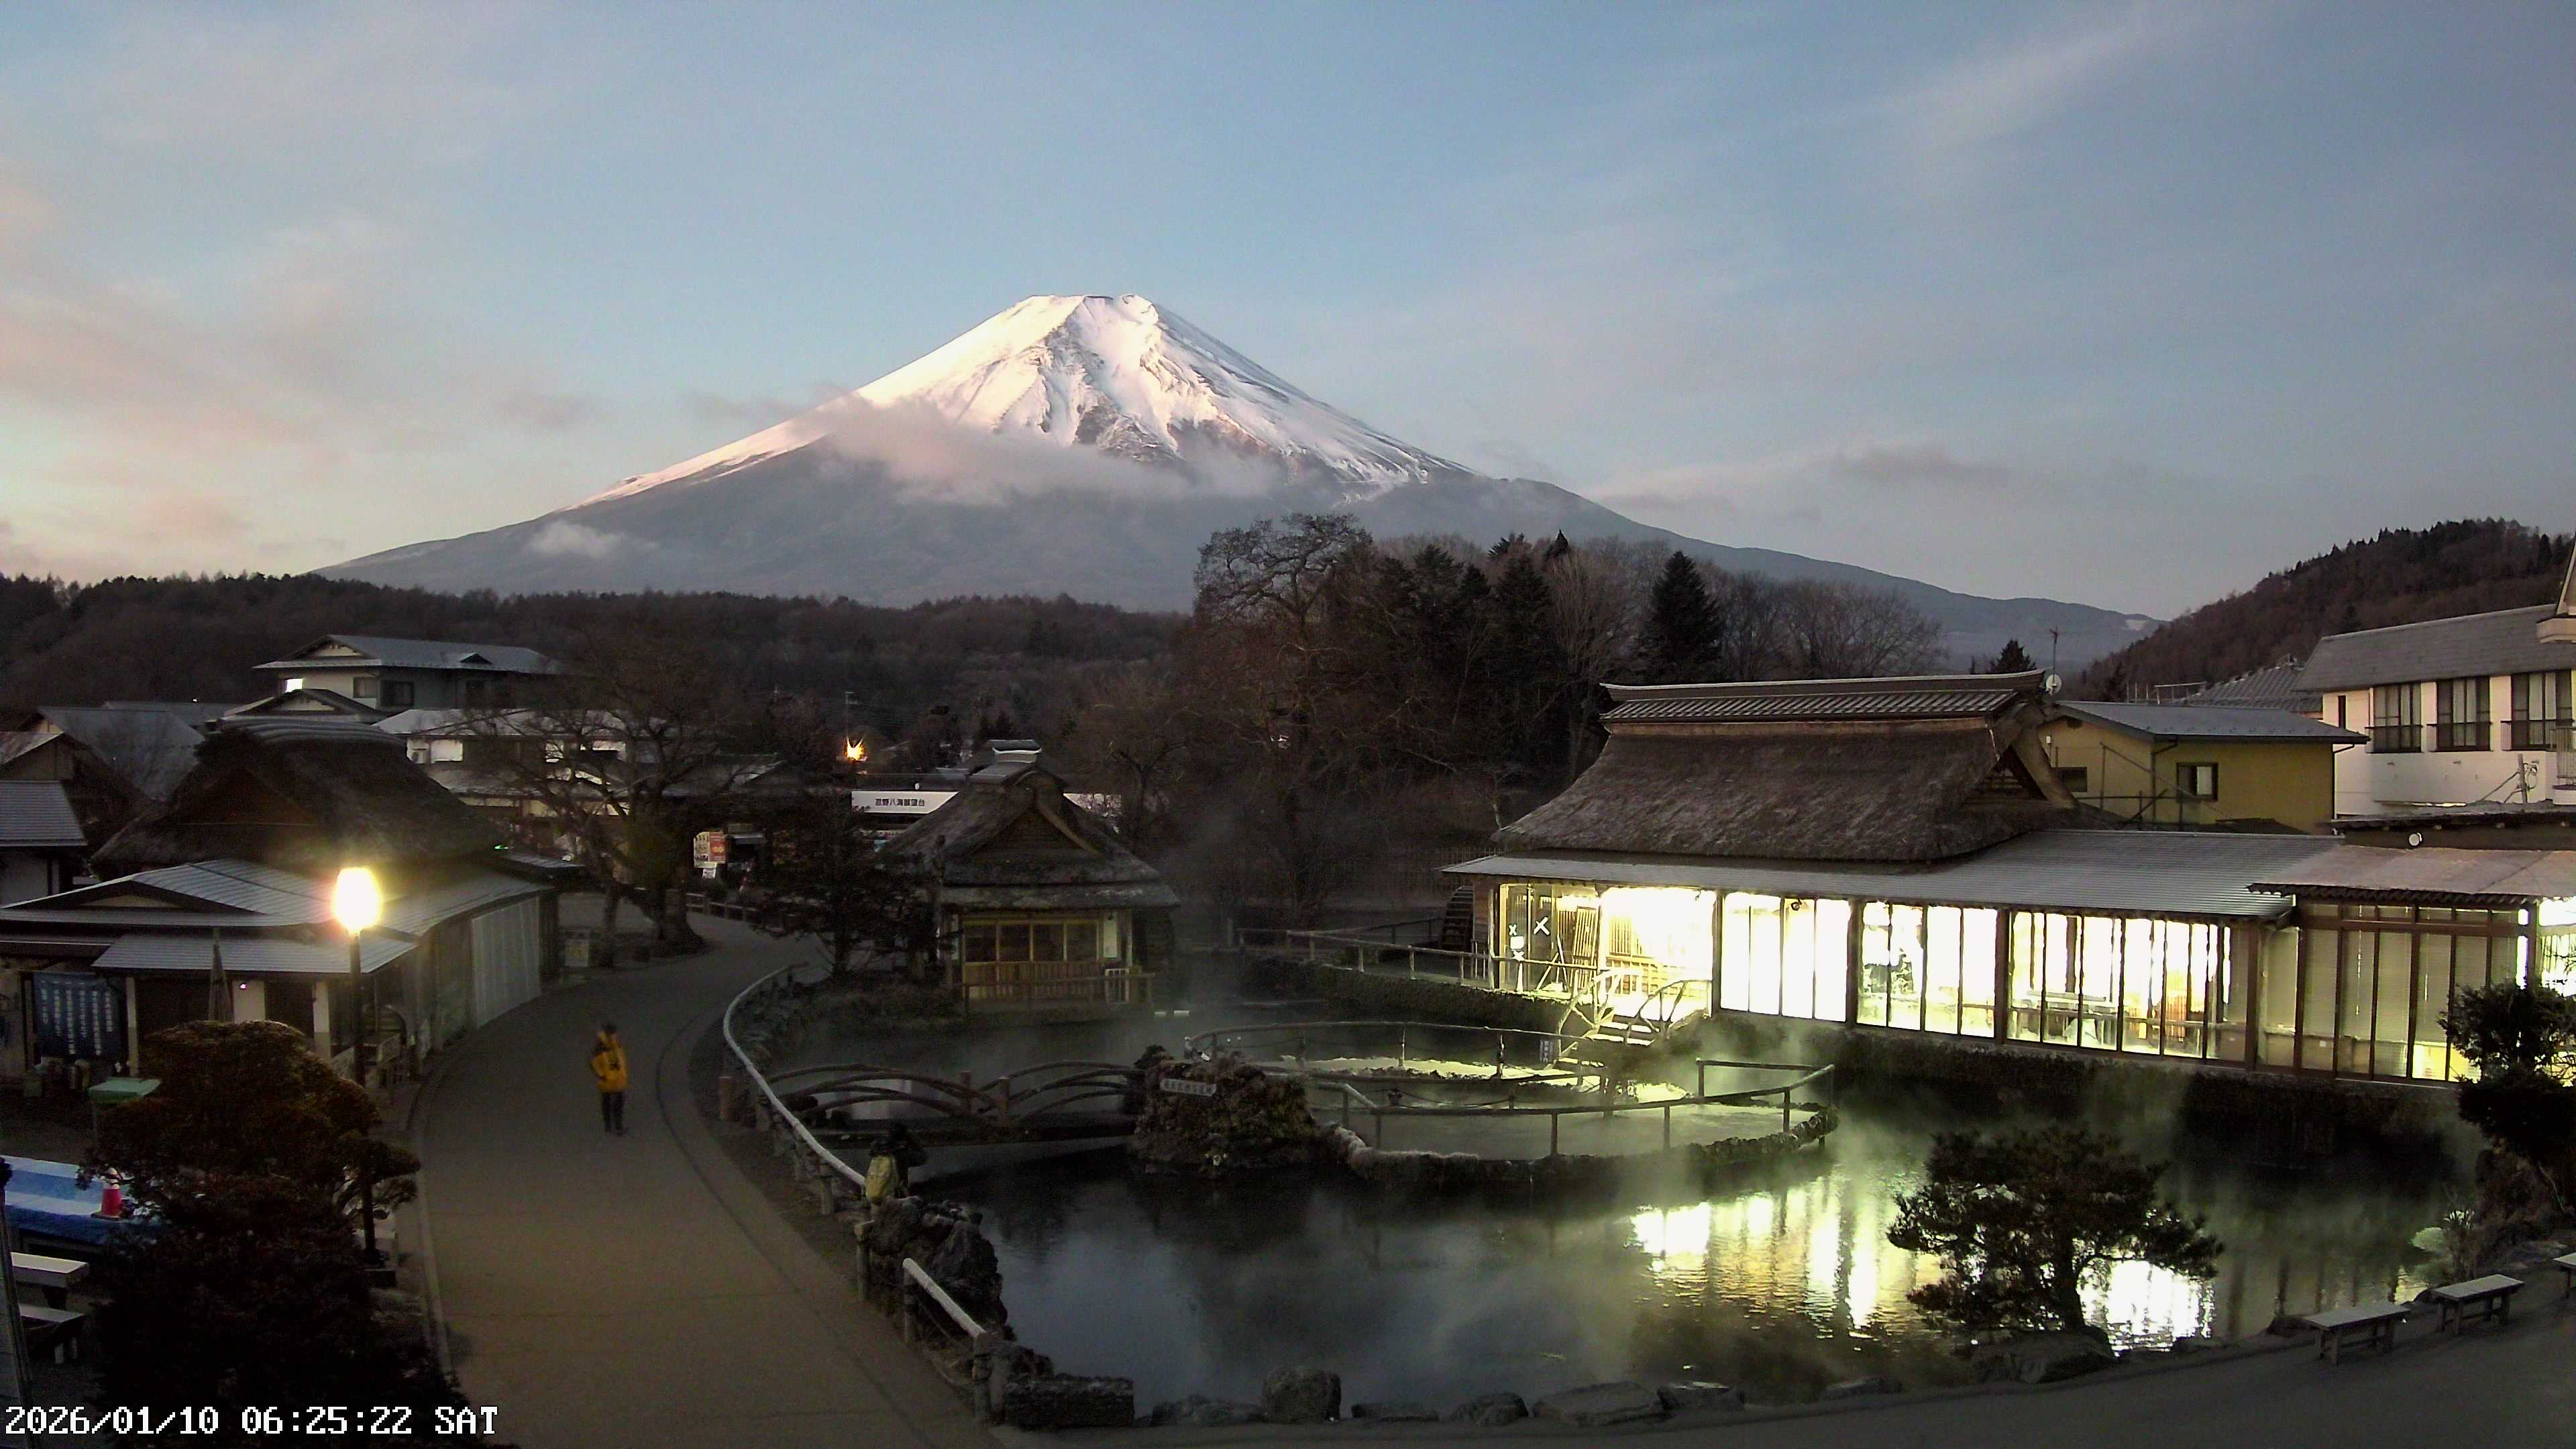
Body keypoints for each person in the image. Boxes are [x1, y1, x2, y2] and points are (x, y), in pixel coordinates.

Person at [590, 1023, 629, 1134]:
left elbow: (621, 1060)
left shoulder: (613, 1046)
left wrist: (623, 1073)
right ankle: (616, 1126)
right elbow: (595, 1064)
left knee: (609, 1102)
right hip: (611, 1080)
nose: (616, 1036)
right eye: (614, 1035)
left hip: (615, 1080)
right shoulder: (604, 1049)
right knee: (615, 1103)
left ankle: (610, 1125)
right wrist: (602, 1075)